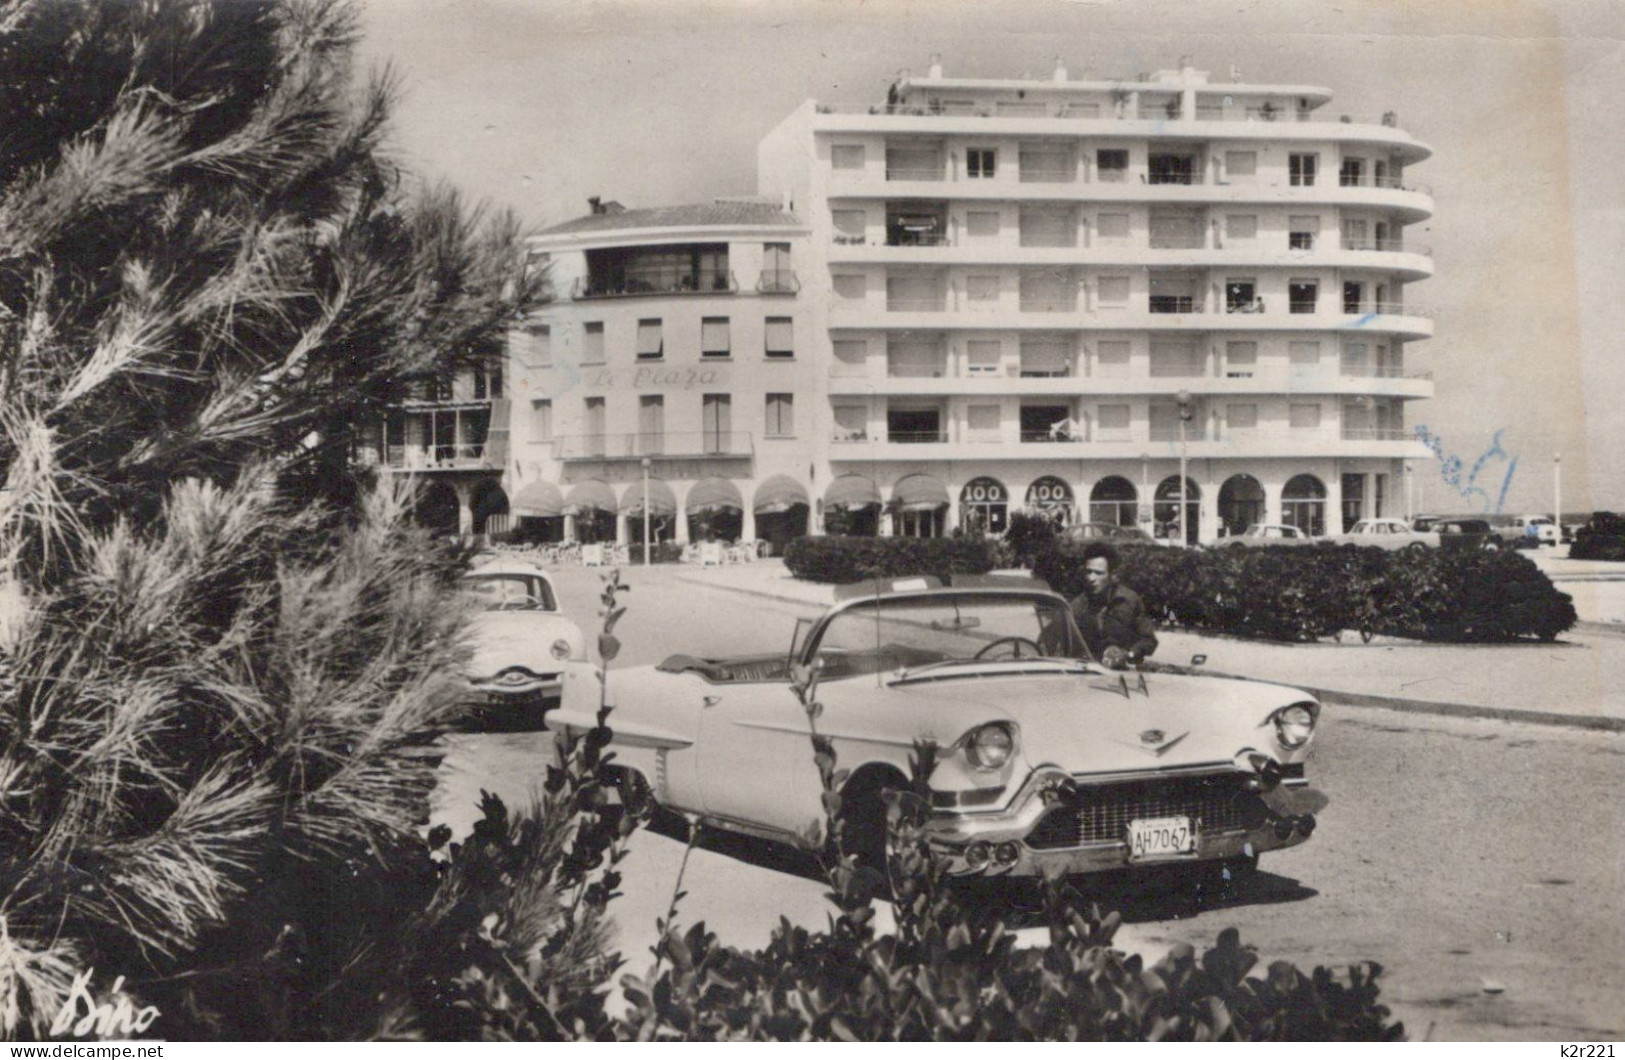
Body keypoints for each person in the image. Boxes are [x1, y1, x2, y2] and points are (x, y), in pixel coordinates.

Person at [1068, 542, 1158, 669]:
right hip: (1089, 673)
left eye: (1098, 573)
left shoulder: (1130, 601)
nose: (1091, 578)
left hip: (1126, 673)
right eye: (1088, 572)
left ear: (1111, 575)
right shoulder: (1076, 607)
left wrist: (1129, 654)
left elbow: (1149, 640)